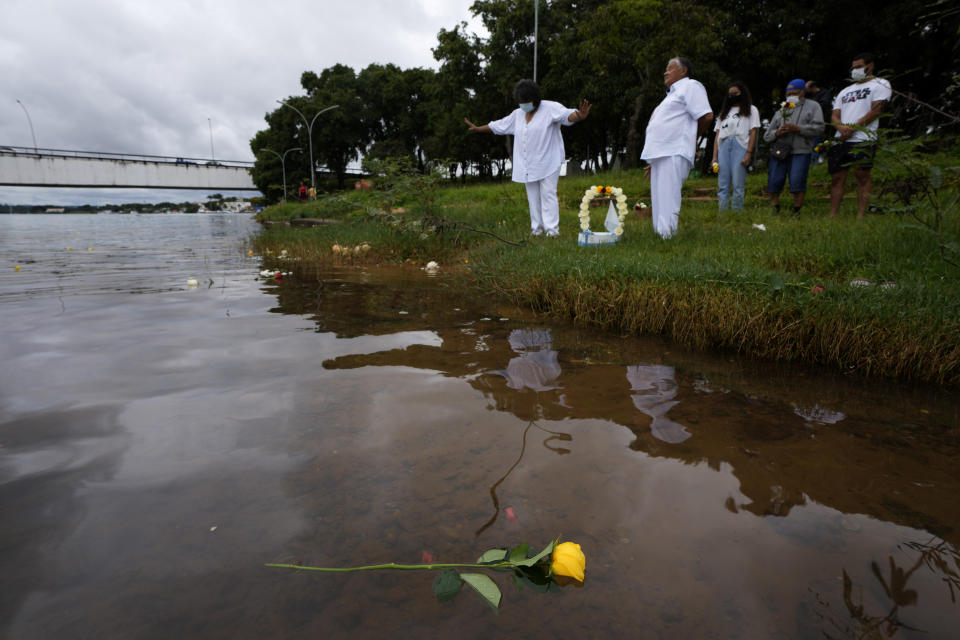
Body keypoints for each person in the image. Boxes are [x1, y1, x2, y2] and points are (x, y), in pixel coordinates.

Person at [465, 80, 591, 237]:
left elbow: (568, 116)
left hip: (549, 161)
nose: (523, 105)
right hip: (528, 164)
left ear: (535, 99)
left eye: (526, 102)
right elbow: (499, 125)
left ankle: (552, 232)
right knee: (533, 198)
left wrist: (579, 116)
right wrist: (478, 129)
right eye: (520, 102)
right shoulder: (518, 114)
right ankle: (536, 230)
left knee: (548, 194)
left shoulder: (550, 108)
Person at [641, 57, 713, 238]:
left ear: (683, 71)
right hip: (661, 153)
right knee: (658, 198)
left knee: (668, 196)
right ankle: (660, 235)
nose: (666, 72)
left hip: (674, 150)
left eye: (670, 68)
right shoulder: (671, 96)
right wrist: (653, 161)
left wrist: (693, 139)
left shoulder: (691, 86)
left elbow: (707, 116)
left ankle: (667, 236)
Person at [828, 53, 892, 218]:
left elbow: (877, 110)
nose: (855, 70)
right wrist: (841, 128)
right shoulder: (845, 91)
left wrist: (854, 128)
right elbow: (835, 115)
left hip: (863, 138)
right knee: (836, 178)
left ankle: (860, 216)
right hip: (840, 139)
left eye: (858, 67)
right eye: (853, 67)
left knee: (862, 176)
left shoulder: (881, 84)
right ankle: (832, 215)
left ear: (870, 66)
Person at [763, 78, 824, 215]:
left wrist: (798, 128)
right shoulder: (781, 110)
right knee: (774, 179)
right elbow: (767, 135)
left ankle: (796, 210)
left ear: (803, 92)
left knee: (797, 179)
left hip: (801, 150)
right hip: (780, 150)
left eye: (795, 93)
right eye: (789, 94)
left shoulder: (813, 106)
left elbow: (819, 128)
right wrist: (778, 132)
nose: (792, 96)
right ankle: (774, 208)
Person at [710, 81, 760, 212]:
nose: (732, 96)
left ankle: (736, 213)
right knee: (723, 184)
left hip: (740, 145)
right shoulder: (724, 112)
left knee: (738, 183)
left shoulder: (752, 110)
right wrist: (714, 157)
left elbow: (753, 132)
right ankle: (723, 213)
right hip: (724, 145)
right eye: (730, 94)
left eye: (735, 93)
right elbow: (717, 135)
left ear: (742, 93)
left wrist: (748, 152)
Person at [805, 80, 833, 163]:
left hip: (822, 122)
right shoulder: (810, 96)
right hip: (810, 123)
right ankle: (814, 159)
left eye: (807, 89)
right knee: (813, 142)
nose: (806, 91)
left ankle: (816, 160)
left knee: (818, 142)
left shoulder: (824, 93)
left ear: (813, 87)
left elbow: (825, 105)